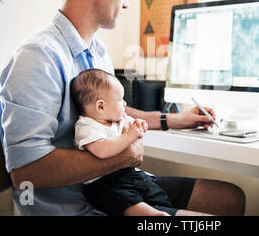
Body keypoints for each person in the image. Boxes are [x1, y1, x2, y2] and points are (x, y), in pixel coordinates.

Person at [0, 0, 245, 216]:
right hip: (78, 206)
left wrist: (176, 120)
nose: (126, 3)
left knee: (229, 199)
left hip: (119, 183)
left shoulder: (96, 49)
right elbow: (26, 171)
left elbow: (113, 110)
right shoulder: (37, 58)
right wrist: (119, 159)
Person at [72, 68, 183, 216]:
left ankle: (160, 207)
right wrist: (129, 136)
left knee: (152, 190)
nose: (125, 104)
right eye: (120, 100)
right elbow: (102, 151)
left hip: (127, 174)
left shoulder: (117, 119)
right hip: (104, 183)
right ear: (101, 106)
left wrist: (138, 124)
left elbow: (131, 125)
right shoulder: (87, 126)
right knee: (124, 200)